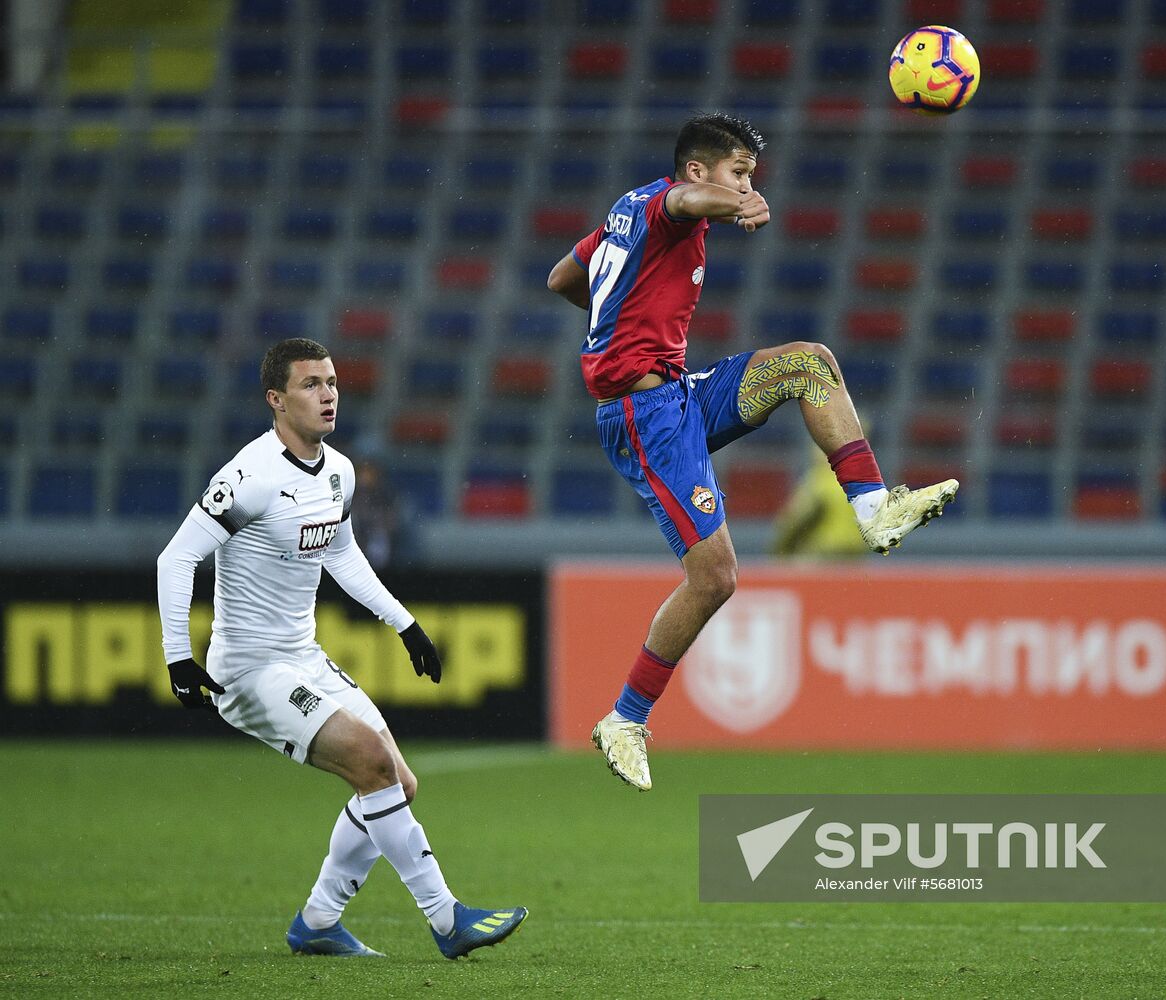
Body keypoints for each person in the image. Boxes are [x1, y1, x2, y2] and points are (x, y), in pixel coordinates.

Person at [545, 113, 958, 791]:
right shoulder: (671, 205)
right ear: (700, 169)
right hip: (643, 417)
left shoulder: (626, 212)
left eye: (750, 178)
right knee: (715, 578)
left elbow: (563, 276)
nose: (744, 186)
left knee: (807, 364)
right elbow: (686, 198)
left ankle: (874, 508)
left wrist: (612, 321)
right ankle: (624, 718)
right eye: (738, 173)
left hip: (677, 394)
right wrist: (731, 205)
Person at [156, 338, 526, 959]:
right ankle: (447, 920)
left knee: (397, 783)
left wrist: (404, 624)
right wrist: (177, 656)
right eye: (310, 384)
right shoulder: (249, 477)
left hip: (303, 655)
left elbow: (341, 554)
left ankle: (319, 922)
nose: (327, 394)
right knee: (370, 761)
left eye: (331, 382)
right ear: (276, 399)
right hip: (248, 671)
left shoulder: (339, 471)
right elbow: (177, 557)